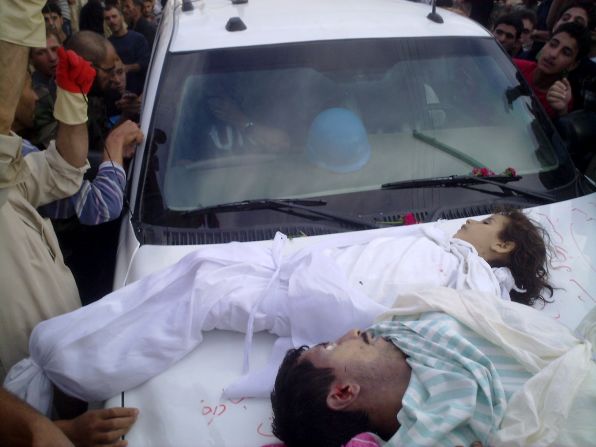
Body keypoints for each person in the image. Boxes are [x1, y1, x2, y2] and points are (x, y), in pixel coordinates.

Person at [270, 289, 596, 447]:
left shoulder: (410, 322)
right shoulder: (432, 437)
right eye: (331, 347)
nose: (351, 333)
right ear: (343, 392)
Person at [514, 21, 592, 118]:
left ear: (573, 65)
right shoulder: (514, 66)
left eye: (566, 53)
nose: (553, 54)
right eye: (553, 44)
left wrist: (562, 112)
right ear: (545, 44)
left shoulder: (561, 99)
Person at [105, 4, 151, 96]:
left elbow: (146, 63)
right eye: (107, 18)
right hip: (116, 98)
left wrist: (125, 68)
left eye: (114, 16)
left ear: (121, 17)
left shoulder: (138, 38)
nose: (111, 21)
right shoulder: (107, 45)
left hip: (138, 94)